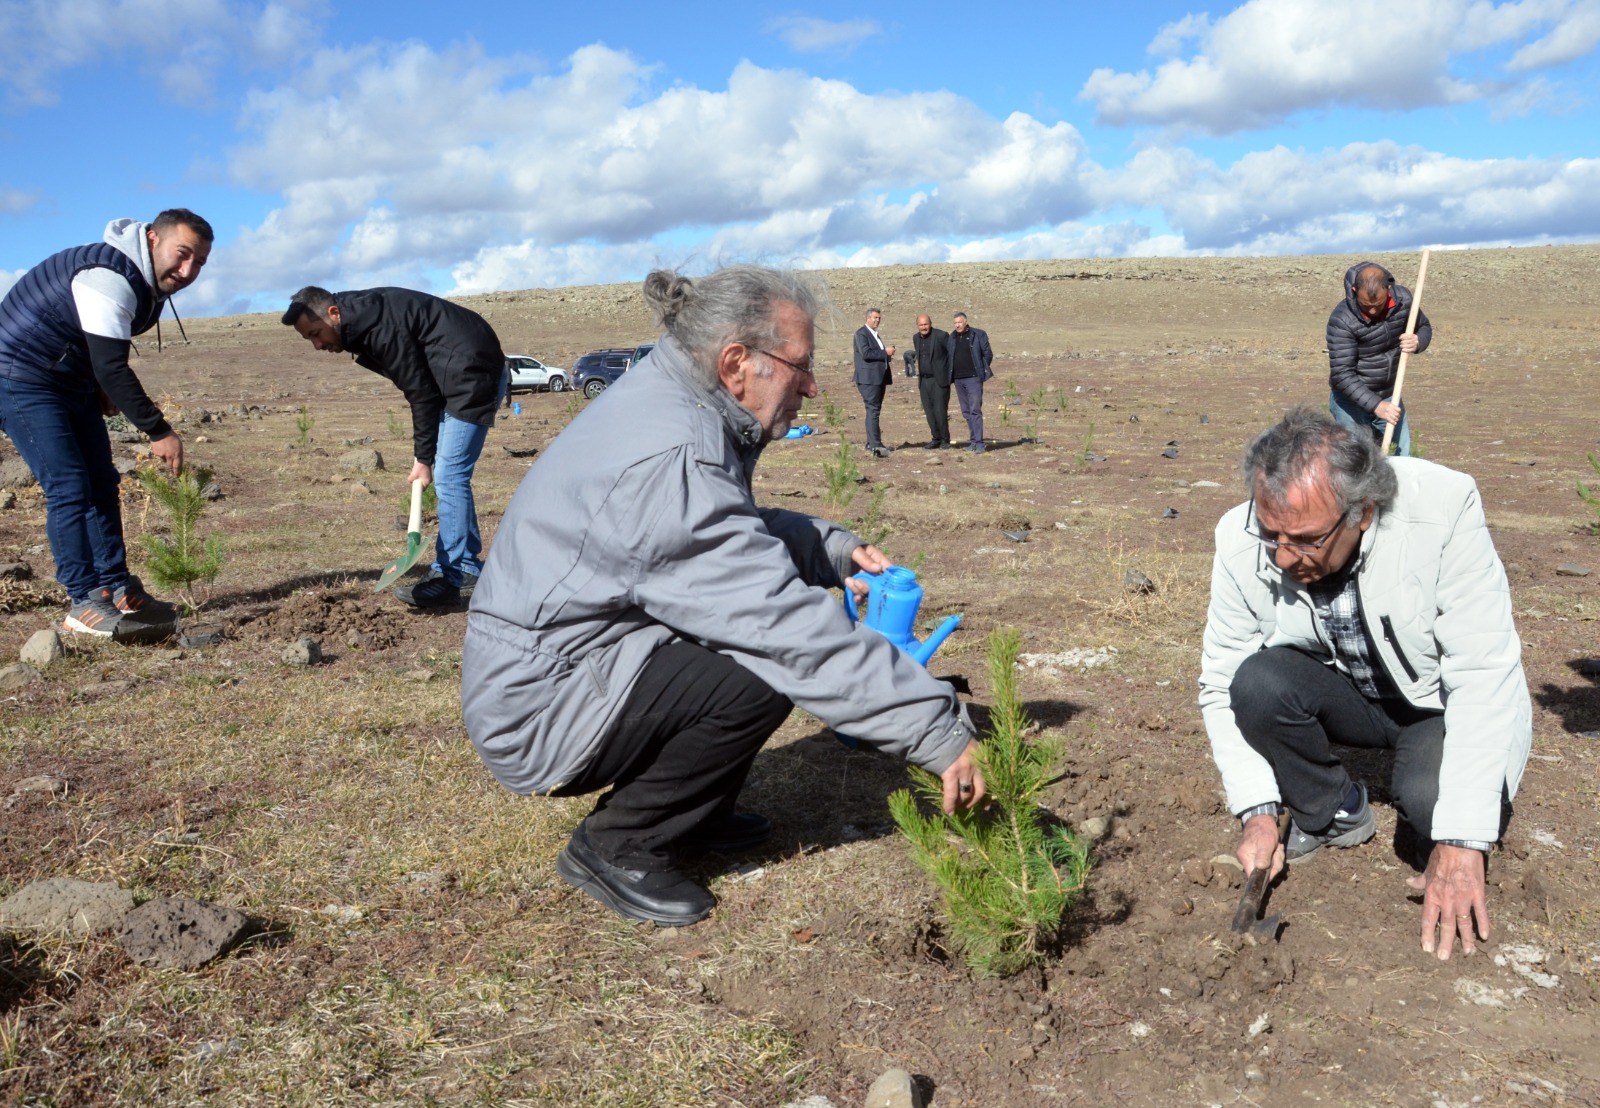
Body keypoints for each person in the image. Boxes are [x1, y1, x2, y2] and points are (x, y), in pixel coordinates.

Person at [461, 265, 985, 927]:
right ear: (739, 361)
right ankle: (620, 844)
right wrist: (937, 731)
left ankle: (693, 814)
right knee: (757, 667)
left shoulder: (676, 400)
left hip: (572, 656)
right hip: (538, 702)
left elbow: (703, 534)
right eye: (800, 365)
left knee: (747, 647)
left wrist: (827, 549)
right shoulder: (672, 449)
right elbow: (772, 620)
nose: (813, 385)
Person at [1199, 408, 1529, 962]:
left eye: (1304, 540)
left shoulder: (1443, 510)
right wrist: (1257, 810)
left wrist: (1462, 839)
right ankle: (1335, 812)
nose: (1282, 556)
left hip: (1433, 704)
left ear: (1363, 512)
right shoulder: (1239, 541)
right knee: (1254, 684)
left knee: (1432, 808)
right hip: (1346, 691)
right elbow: (1221, 676)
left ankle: (1435, 805)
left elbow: (1482, 672)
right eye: (1271, 534)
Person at [0, 209, 213, 638]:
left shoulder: (143, 280)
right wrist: (159, 431)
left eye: (200, 263)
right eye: (182, 254)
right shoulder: (109, 277)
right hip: (20, 378)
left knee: (102, 480)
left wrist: (98, 387)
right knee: (69, 486)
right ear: (153, 239)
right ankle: (83, 601)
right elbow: (113, 368)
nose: (188, 270)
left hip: (67, 380)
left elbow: (98, 350)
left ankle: (117, 588)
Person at [282, 286, 505, 608]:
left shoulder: (379, 327)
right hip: (454, 374)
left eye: (316, 334)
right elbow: (422, 387)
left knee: (449, 475)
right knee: (449, 475)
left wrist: (423, 459)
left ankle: (456, 574)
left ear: (334, 314)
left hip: (471, 375)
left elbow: (421, 394)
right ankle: (466, 565)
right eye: (309, 339)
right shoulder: (358, 318)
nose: (318, 345)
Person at [1327, 261, 1431, 457]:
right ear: (1355, 290)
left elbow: (1424, 326)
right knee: (1356, 462)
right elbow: (1342, 374)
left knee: (1403, 458)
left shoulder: (1404, 300)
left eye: (1378, 305)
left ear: (1388, 289)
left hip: (1390, 394)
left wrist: (1418, 341)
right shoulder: (1342, 320)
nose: (1373, 312)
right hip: (1350, 403)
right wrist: (1376, 405)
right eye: (1366, 305)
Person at [852, 308, 895, 457]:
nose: (877, 320)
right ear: (868, 318)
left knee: (874, 410)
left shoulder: (874, 334)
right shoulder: (861, 334)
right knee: (873, 410)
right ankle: (874, 444)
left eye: (879, 318)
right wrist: (885, 352)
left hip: (877, 378)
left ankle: (873, 442)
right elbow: (866, 353)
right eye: (875, 317)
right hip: (868, 379)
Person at [947, 312, 993, 453]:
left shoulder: (978, 335)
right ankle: (973, 441)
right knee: (966, 411)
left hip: (973, 378)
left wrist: (981, 369)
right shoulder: (952, 338)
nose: (957, 325)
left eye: (959, 322)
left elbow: (988, 354)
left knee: (975, 410)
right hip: (958, 379)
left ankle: (979, 443)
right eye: (955, 323)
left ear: (966, 322)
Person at [910, 314, 951, 449]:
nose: (924, 327)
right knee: (929, 411)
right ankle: (936, 438)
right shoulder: (916, 338)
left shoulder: (941, 336)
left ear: (930, 324)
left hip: (939, 380)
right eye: (921, 325)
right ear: (917, 326)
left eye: (926, 324)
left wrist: (948, 374)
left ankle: (945, 440)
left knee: (940, 411)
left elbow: (952, 354)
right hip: (924, 380)